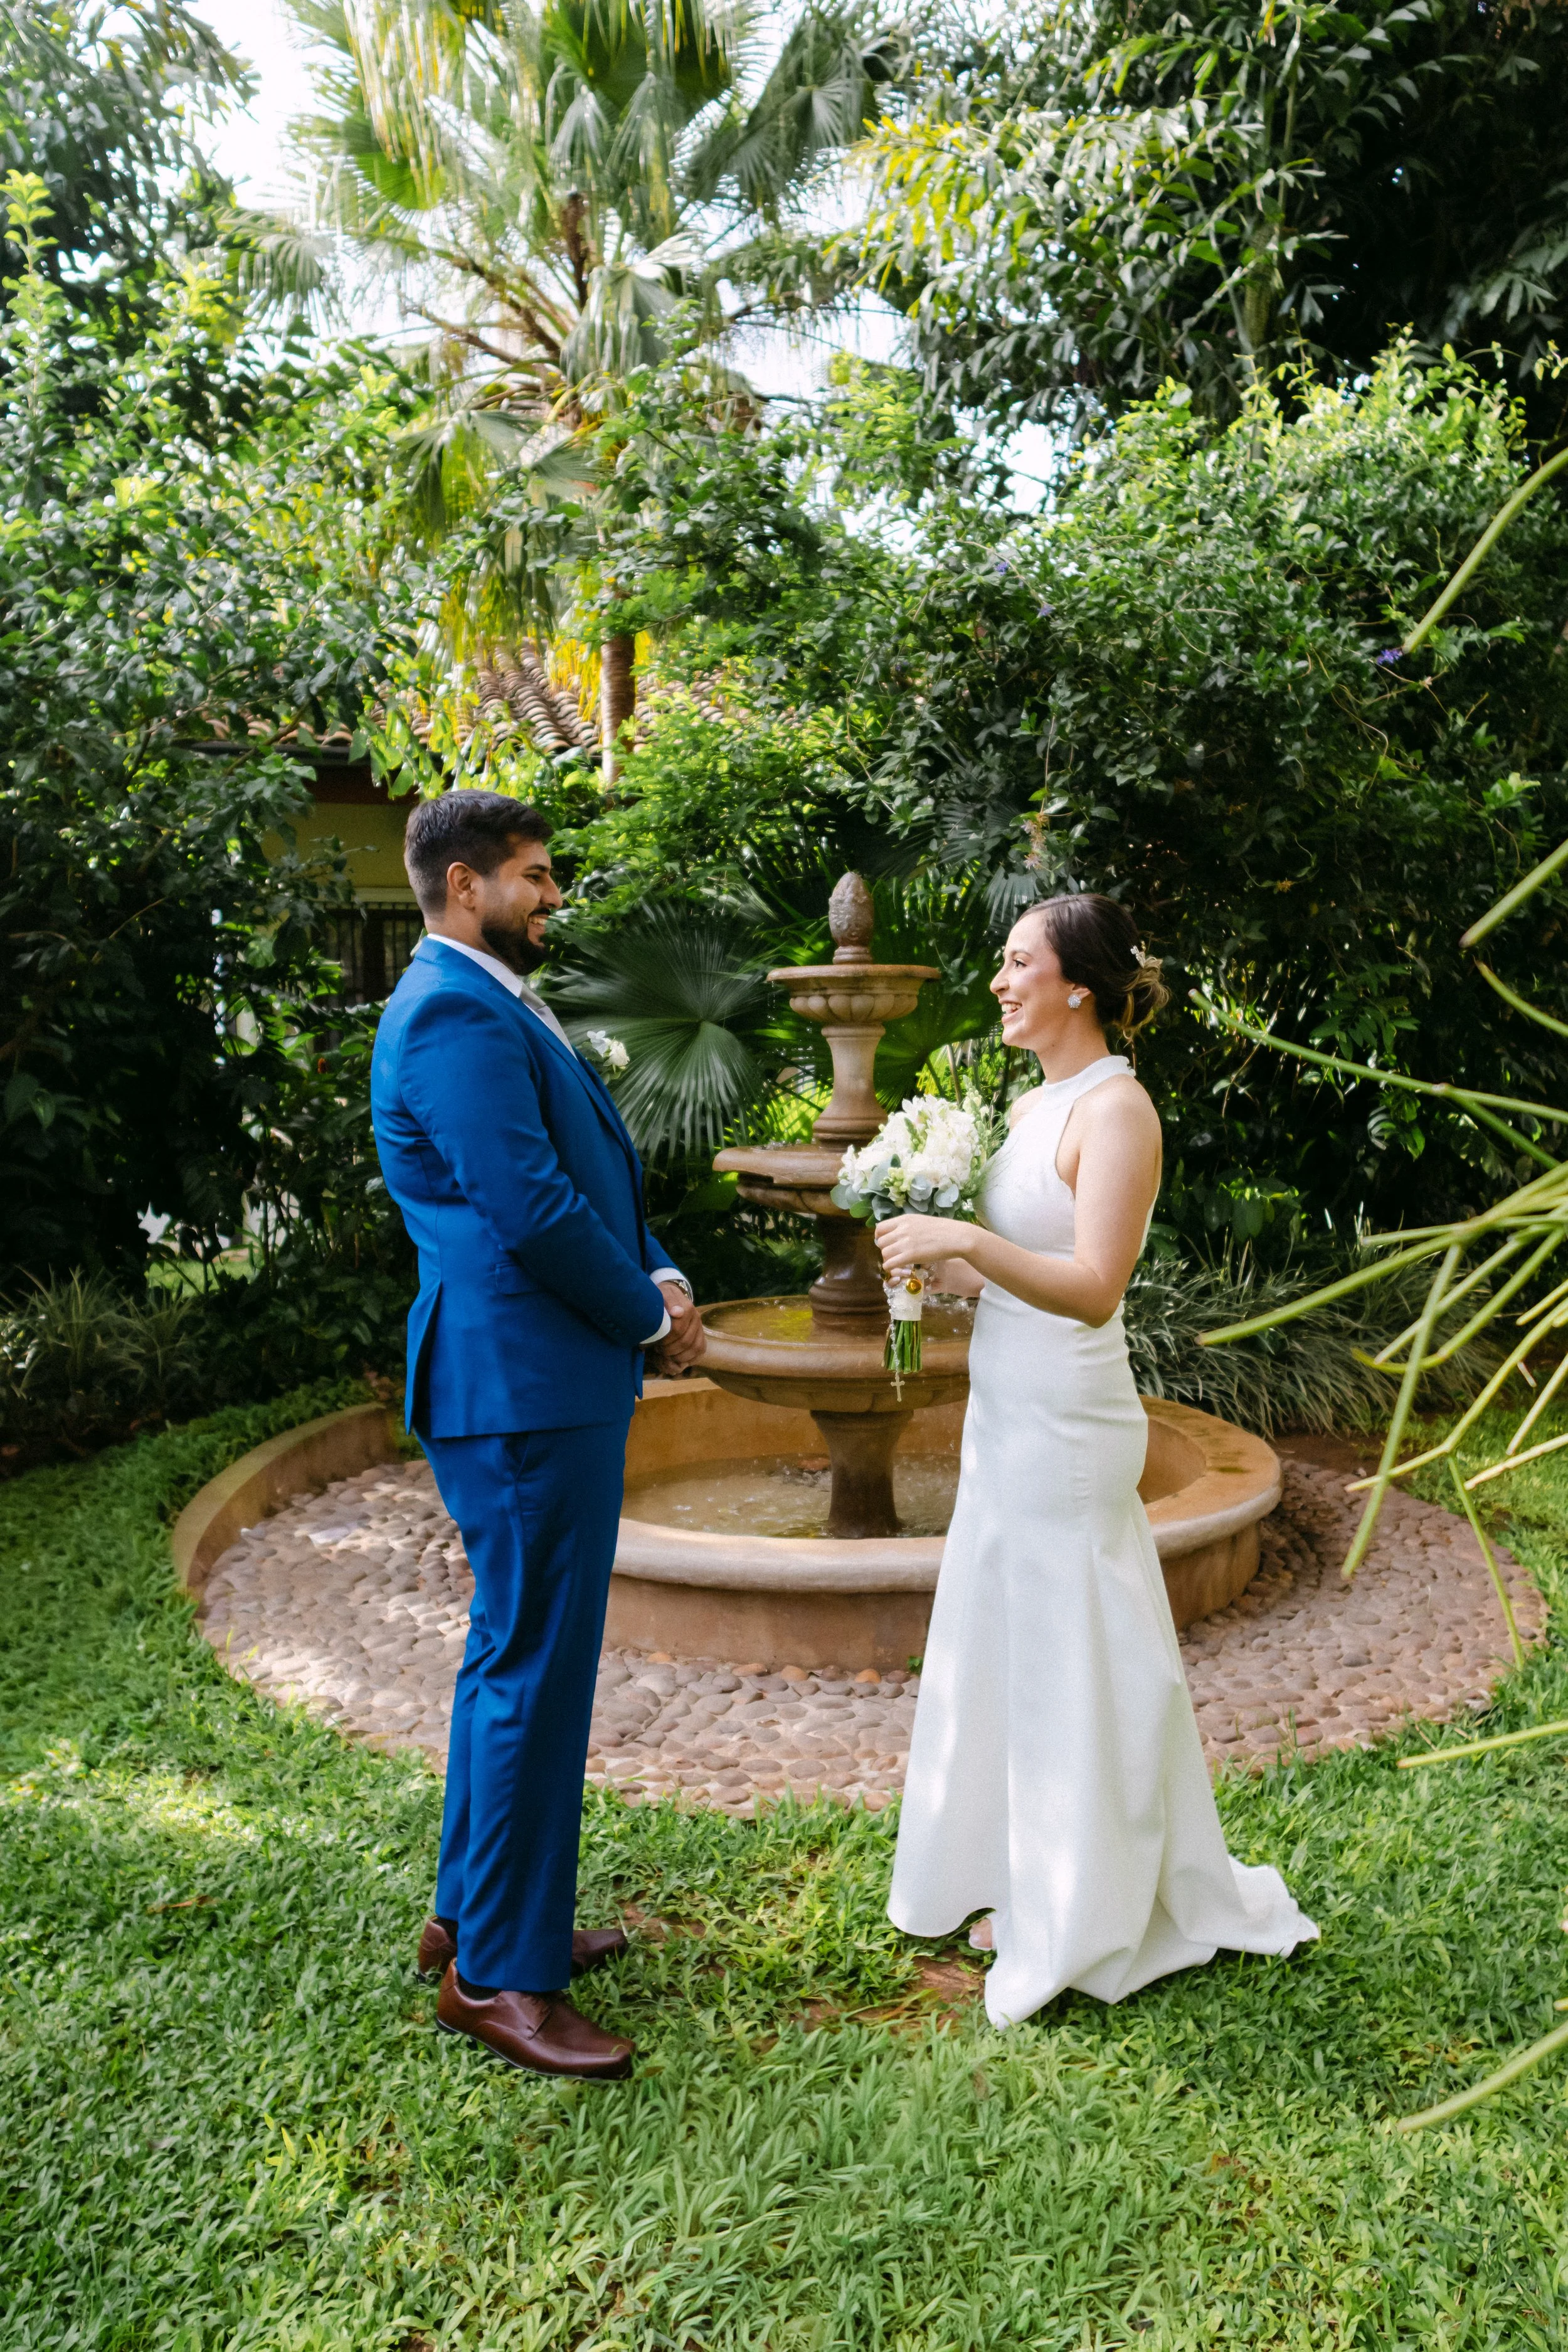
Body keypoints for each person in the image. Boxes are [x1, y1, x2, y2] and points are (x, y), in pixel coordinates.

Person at [874, 893, 1316, 2026]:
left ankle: (1089, 1905)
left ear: (1078, 982)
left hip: (1070, 1421)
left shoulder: (1117, 1111)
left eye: (1018, 962)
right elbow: (1019, 1270)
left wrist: (968, 1238)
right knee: (1014, 1638)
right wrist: (941, 1271)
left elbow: (1092, 1287)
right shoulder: (1036, 1104)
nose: (999, 980)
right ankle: (1024, 1873)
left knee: (1075, 1646)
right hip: (1007, 1408)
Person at [371, 791, 706, 2080]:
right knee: (532, 1673)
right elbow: (531, 1211)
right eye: (534, 876)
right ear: (465, 886)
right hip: (521, 1388)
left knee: (512, 1659)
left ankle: (474, 1916)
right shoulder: (453, 1010)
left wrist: (659, 1273)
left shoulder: (488, 995)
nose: (552, 895)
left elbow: (588, 1178)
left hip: (537, 1380)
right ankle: (498, 1980)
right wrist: (645, 1317)